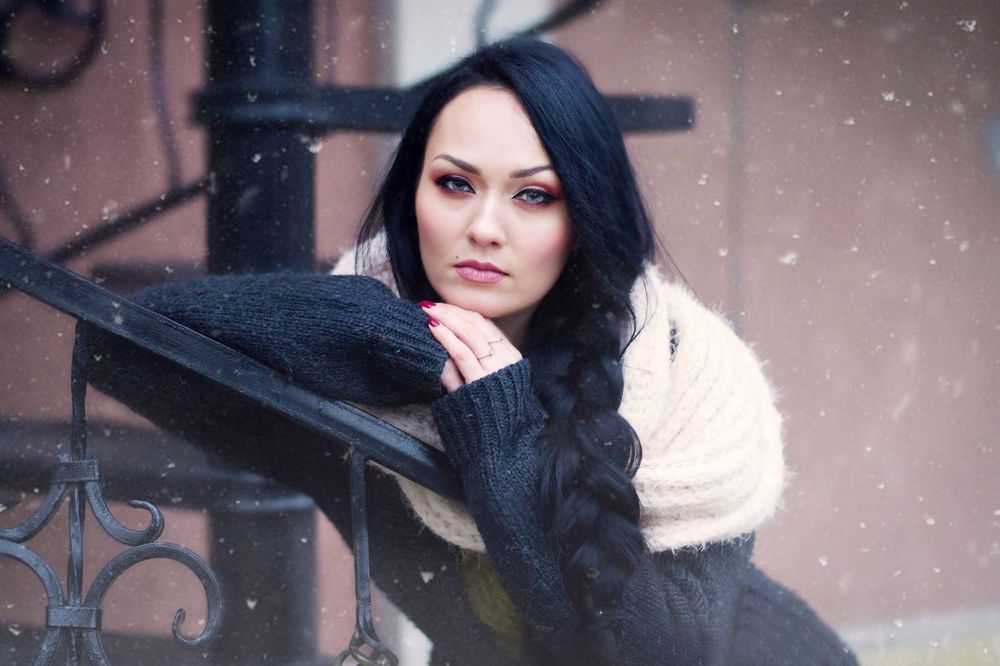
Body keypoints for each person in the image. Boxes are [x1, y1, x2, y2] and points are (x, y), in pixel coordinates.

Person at [80, 37, 859, 665]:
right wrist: (402, 342)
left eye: (533, 195)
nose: (485, 226)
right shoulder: (367, 398)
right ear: (412, 194)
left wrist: (499, 434)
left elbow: (648, 654)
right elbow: (123, 346)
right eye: (455, 184)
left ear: (583, 217)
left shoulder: (689, 384)